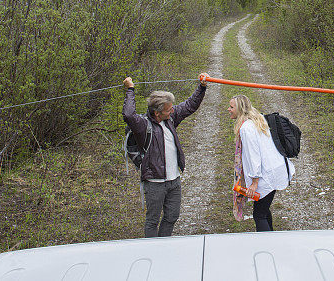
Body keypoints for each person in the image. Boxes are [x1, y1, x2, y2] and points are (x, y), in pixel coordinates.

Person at [122, 74, 208, 238]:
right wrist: (130, 89)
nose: (173, 111)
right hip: (155, 183)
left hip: (174, 181)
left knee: (172, 216)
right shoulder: (142, 126)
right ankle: (153, 252)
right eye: (169, 109)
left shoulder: (170, 119)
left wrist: (202, 87)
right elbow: (128, 115)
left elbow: (190, 105)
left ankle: (164, 244)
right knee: (152, 221)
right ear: (157, 113)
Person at [229, 94, 294, 232]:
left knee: (259, 215)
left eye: (231, 107)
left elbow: (253, 156)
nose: (228, 109)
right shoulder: (258, 120)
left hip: (266, 175)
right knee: (263, 210)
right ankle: (271, 237)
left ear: (240, 109)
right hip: (276, 169)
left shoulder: (246, 128)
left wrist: (254, 182)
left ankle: (267, 245)